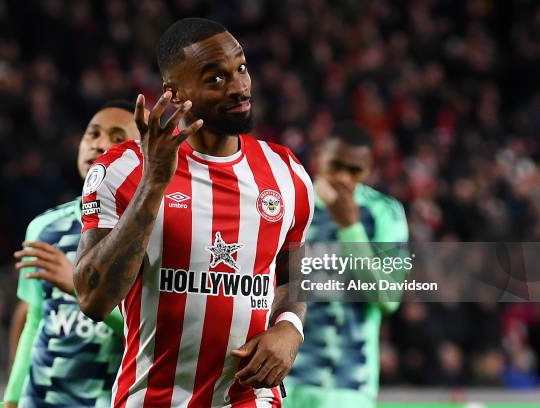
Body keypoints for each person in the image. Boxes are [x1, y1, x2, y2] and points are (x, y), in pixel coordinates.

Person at [73, 18, 314, 408]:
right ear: (175, 92)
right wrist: (154, 184)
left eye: (241, 68)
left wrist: (290, 328)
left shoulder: (287, 174)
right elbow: (93, 300)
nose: (239, 86)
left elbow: (291, 272)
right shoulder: (123, 170)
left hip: (250, 400)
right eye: (215, 79)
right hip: (152, 399)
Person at [3, 100, 140, 408]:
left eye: (118, 138)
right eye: (93, 134)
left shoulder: (150, 236)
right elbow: (35, 319)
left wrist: (81, 287)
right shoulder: (44, 228)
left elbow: (152, 334)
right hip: (39, 400)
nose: (100, 144)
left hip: (108, 400)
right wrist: (13, 397)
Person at [285, 122, 409, 407]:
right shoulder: (290, 204)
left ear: (369, 168)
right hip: (285, 381)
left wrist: (350, 227)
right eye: (335, 166)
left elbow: (388, 298)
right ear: (319, 157)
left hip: (352, 384)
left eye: (354, 170)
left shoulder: (384, 212)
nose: (343, 178)